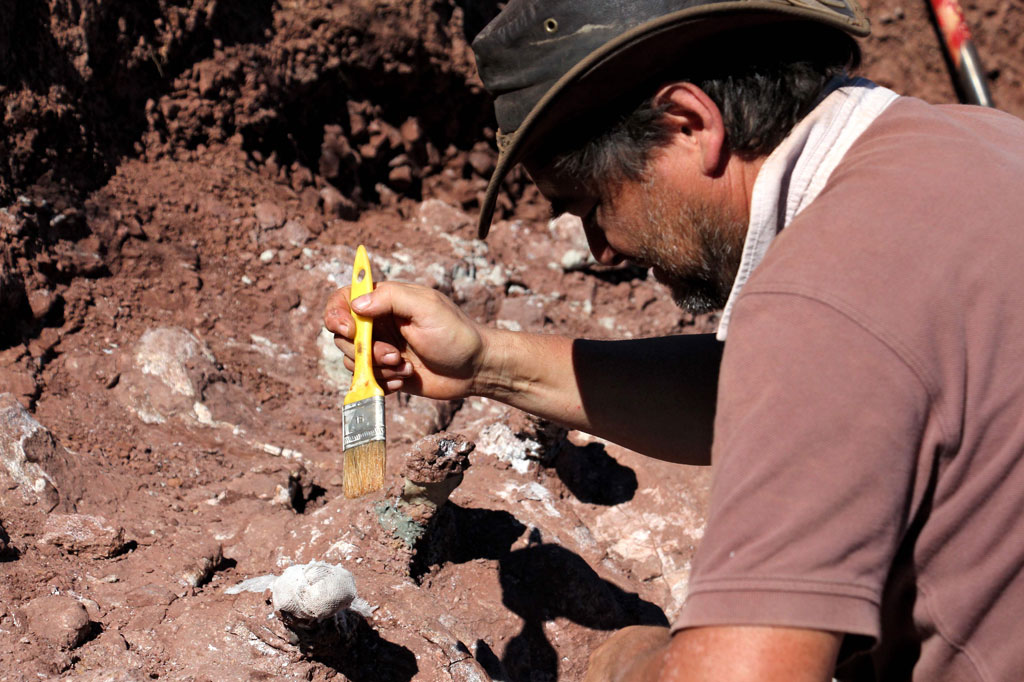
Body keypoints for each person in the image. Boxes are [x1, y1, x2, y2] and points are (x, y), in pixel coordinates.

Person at [324, 1, 1024, 680]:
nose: (600, 250)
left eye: (593, 205)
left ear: (690, 123)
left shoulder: (823, 299)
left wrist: (628, 661)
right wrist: (484, 360)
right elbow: (778, 396)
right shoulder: (981, 145)